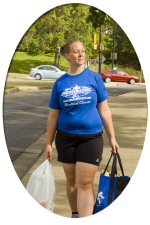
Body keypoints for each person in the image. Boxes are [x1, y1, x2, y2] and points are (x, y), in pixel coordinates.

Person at [45, 39, 119, 218]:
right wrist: (48, 143)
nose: (81, 54)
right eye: (76, 51)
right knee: (71, 182)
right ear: (67, 55)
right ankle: (76, 215)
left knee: (85, 183)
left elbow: (104, 109)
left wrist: (112, 137)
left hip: (91, 138)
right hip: (65, 138)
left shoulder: (94, 78)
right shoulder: (60, 83)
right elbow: (54, 115)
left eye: (83, 51)